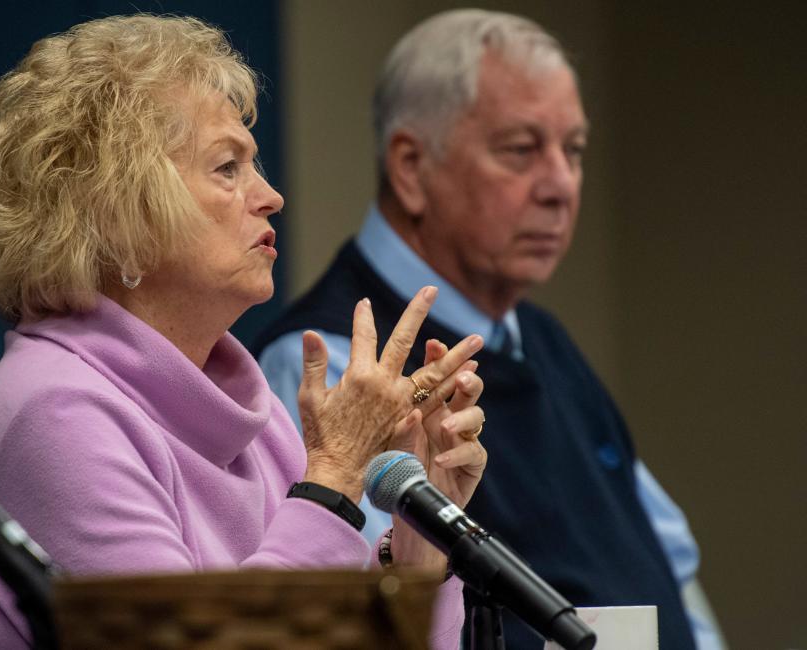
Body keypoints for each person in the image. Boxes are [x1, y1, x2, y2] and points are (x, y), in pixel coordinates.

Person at [0, 15, 490, 649]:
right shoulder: (56, 413)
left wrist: (419, 544)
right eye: (228, 168)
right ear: (122, 217)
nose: (272, 196)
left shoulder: (244, 407)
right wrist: (333, 473)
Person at [256, 9, 724, 650]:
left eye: (574, 150)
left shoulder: (542, 341)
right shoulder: (332, 361)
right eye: (522, 150)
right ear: (412, 169)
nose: (561, 184)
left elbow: (671, 561)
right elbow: (364, 623)